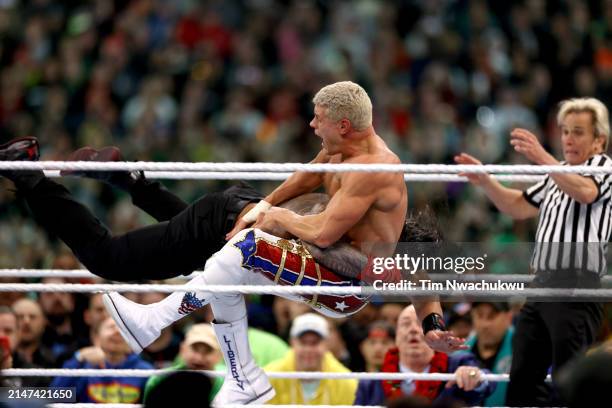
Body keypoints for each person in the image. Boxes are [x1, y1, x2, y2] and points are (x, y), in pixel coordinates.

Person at [0, 81, 463, 405]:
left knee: (216, 256)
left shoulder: (374, 177)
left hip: (292, 248)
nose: (309, 125)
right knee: (128, 257)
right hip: (251, 217)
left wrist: (270, 213)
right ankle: (47, 182)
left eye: (319, 120)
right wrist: (267, 207)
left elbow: (337, 239)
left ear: (344, 125)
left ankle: (157, 306)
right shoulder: (344, 151)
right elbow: (308, 179)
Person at [455, 97, 611, 406]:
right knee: (523, 376)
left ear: (598, 140)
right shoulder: (558, 173)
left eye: (578, 132)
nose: (568, 138)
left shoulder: (603, 167)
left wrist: (542, 156)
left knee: (569, 377)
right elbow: (517, 205)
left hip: (576, 285)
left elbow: (585, 192)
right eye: (565, 131)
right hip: (541, 285)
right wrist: (487, 182)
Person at [355, 305, 495, 406]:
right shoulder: (371, 383)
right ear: (397, 336)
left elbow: (487, 384)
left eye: (422, 324)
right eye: (405, 324)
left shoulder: (457, 364)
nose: (413, 330)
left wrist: (473, 377)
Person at [50, 316, 153, 403]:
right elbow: (54, 397)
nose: (117, 331)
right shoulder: (82, 366)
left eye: (124, 330)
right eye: (111, 327)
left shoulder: (144, 371)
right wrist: (78, 358)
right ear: (96, 338)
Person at [264, 313, 357, 405]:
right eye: (303, 342)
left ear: (326, 344)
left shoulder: (346, 382)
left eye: (315, 343)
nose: (308, 349)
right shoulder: (269, 378)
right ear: (292, 343)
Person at [144, 323, 223, 403]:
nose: (199, 358)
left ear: (220, 354)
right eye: (194, 348)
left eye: (208, 350)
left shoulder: (230, 381)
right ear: (182, 349)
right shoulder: (159, 380)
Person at [458, 302, 514, 406]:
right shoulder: (459, 355)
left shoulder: (523, 350)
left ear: (508, 317)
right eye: (479, 315)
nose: (485, 324)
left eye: (492, 316)